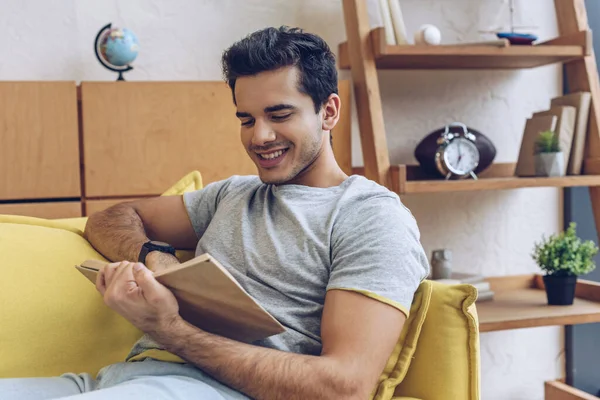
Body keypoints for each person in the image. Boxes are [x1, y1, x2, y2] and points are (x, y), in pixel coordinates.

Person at [1, 26, 429, 399]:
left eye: (279, 115)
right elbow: (111, 218)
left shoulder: (370, 216)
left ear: (328, 112)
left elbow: (344, 387)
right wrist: (155, 255)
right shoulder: (233, 194)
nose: (259, 136)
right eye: (246, 119)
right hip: (119, 378)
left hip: (212, 389)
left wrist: (169, 327)